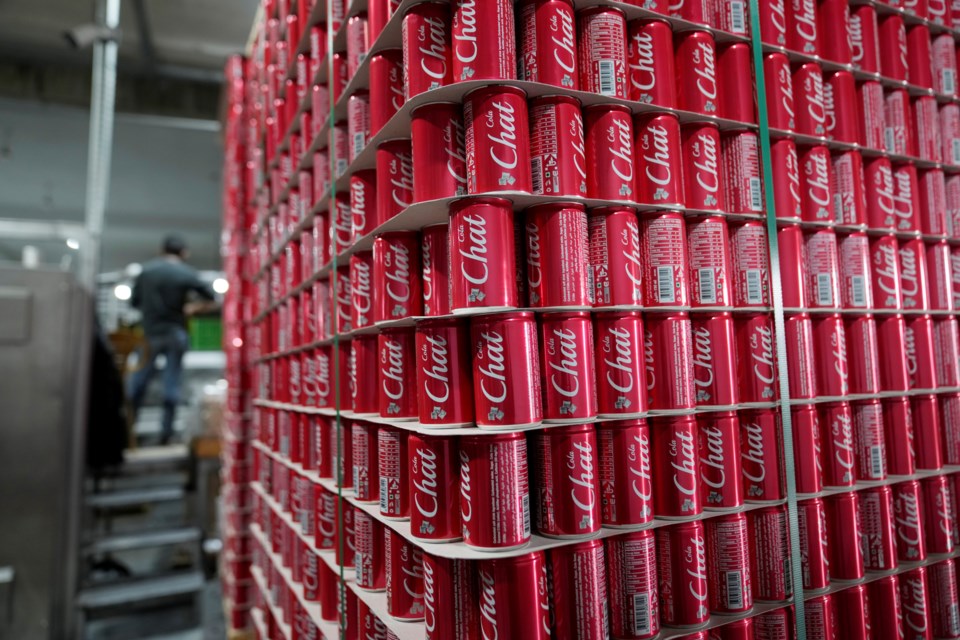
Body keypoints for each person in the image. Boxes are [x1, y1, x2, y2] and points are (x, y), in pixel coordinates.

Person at [129, 234, 217, 445]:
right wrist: (190, 308)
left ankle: (128, 431)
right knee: (172, 383)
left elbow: (134, 303)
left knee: (138, 383)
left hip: (150, 333)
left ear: (162, 250)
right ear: (184, 253)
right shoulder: (186, 273)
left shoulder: (146, 271)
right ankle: (166, 435)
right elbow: (211, 299)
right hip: (175, 332)